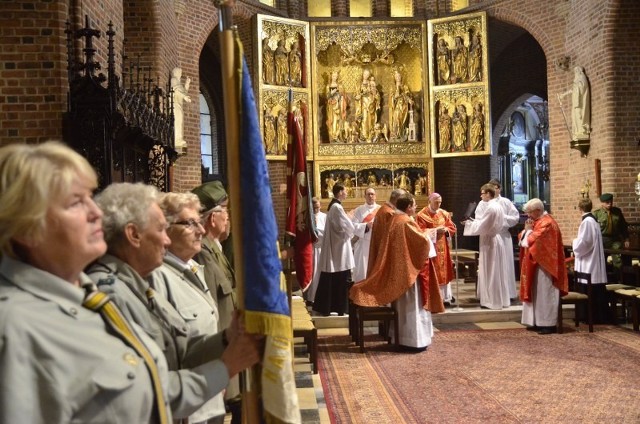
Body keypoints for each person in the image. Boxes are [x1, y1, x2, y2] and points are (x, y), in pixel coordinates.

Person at [0, 142, 174, 422]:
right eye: (76, 202)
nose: (97, 213)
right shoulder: (13, 329)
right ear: (27, 229)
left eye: (90, 197)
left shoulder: (86, 295)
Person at [86, 182, 261, 420]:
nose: (166, 241)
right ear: (133, 235)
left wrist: (226, 338)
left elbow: (180, 354)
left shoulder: (135, 284)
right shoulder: (113, 294)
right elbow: (145, 391)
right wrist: (224, 368)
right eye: (160, 230)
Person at [156, 192, 226, 424]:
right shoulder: (158, 277)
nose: (201, 230)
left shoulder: (194, 268)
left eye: (199, 222)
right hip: (187, 405)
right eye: (190, 223)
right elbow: (166, 352)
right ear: (165, 229)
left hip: (210, 392)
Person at [350, 194, 444, 350]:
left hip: (399, 270)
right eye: (414, 206)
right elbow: (421, 242)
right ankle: (414, 341)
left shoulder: (395, 219)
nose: (415, 208)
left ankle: (401, 337)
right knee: (412, 307)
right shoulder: (406, 222)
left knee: (403, 306)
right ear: (408, 207)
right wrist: (432, 233)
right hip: (408, 272)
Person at [191, 181, 242, 423]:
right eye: (226, 211)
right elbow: (209, 312)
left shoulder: (215, 249)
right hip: (218, 354)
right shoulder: (202, 253)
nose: (229, 218)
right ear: (213, 218)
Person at [518, 198, 568, 334]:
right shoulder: (538, 221)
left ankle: (548, 323)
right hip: (536, 263)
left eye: (530, 212)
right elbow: (524, 236)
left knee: (545, 293)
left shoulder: (547, 223)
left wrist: (527, 231)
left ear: (538, 210)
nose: (528, 216)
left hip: (546, 266)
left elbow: (531, 240)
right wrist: (526, 231)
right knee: (536, 292)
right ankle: (536, 321)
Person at [463, 184, 511, 310]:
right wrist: (473, 222)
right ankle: (500, 299)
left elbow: (483, 226)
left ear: (489, 194)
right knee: (495, 270)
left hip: (490, 242)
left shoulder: (491, 208)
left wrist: (468, 224)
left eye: (483, 193)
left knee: (491, 270)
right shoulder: (496, 206)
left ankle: (492, 301)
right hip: (494, 239)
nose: (481, 195)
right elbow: (485, 223)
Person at [313, 183, 355, 316]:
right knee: (340, 279)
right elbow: (345, 226)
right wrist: (352, 229)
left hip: (337, 249)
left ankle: (333, 307)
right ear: (340, 192)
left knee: (334, 278)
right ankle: (339, 308)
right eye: (345, 190)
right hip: (339, 251)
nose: (347, 193)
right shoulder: (337, 207)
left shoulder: (335, 207)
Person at [479, 179, 520, 301]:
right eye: (490, 187)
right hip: (489, 236)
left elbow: (515, 218)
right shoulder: (483, 203)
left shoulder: (505, 202)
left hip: (503, 236)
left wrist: (501, 218)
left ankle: (508, 293)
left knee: (505, 265)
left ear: (499, 188)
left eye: (495, 187)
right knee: (490, 266)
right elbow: (480, 218)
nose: (493, 189)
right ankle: (490, 294)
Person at [415, 193, 457, 305]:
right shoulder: (422, 215)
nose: (438, 204)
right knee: (433, 271)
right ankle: (434, 298)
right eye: (436, 202)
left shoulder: (444, 213)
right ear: (430, 201)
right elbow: (420, 232)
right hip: (431, 249)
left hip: (443, 247)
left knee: (444, 271)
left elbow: (452, 227)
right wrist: (434, 231)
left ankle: (445, 298)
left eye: (440, 202)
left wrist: (446, 231)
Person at [572, 198, 609, 324]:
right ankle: (594, 316)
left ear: (580, 209)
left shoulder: (587, 222)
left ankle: (589, 316)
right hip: (592, 259)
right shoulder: (592, 220)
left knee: (590, 287)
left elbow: (585, 242)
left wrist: (574, 243)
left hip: (589, 261)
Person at [367, 188, 406, 276]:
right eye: (403, 200)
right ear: (397, 199)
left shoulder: (385, 209)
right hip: (386, 253)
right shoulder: (389, 213)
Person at [592, 192, 630, 269]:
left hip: (615, 239)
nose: (610, 204)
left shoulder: (617, 212)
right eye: (607, 202)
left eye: (611, 202)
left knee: (617, 258)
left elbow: (623, 226)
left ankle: (618, 278)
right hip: (602, 239)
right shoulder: (596, 214)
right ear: (602, 203)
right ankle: (605, 278)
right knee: (601, 260)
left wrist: (626, 239)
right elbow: (592, 230)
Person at [350, 188, 380, 283]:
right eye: (368, 194)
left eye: (372, 194)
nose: (370, 196)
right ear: (365, 196)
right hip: (362, 245)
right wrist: (365, 226)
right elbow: (353, 226)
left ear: (375, 196)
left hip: (376, 245)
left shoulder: (381, 209)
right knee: (362, 272)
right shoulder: (359, 210)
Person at [305, 197, 327, 304]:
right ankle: (311, 297)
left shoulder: (325, 217)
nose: (316, 209)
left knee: (321, 273)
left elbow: (328, 233)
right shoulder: (308, 218)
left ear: (320, 206)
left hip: (322, 249)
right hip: (311, 249)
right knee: (312, 274)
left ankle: (322, 298)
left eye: (318, 207)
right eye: (314, 207)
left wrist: (317, 232)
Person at [561, 66, 591, 140]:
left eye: (576, 72)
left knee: (579, 115)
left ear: (579, 71)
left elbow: (581, 88)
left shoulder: (582, 79)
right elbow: (573, 90)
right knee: (574, 116)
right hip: (576, 103)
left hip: (579, 103)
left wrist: (576, 87)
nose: (575, 74)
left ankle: (582, 130)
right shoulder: (578, 81)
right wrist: (563, 95)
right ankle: (578, 131)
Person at [171, 67, 192, 151]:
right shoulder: (173, 80)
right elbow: (176, 90)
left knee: (180, 121)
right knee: (177, 121)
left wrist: (187, 84)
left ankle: (179, 139)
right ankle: (177, 140)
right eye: (179, 72)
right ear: (176, 72)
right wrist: (185, 97)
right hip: (175, 105)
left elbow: (183, 92)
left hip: (179, 105)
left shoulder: (178, 82)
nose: (180, 74)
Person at [389, 68, 412, 141]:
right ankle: (395, 134)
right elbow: (391, 99)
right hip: (396, 106)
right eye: (396, 76)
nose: (398, 77)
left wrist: (408, 99)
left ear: (401, 77)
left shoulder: (405, 87)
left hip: (403, 106)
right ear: (394, 78)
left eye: (399, 76)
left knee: (402, 120)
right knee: (396, 117)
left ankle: (402, 134)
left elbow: (408, 96)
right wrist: (395, 96)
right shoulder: (392, 88)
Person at [325, 69, 347, 143]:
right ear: (331, 77)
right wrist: (332, 93)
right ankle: (332, 136)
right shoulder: (328, 86)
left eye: (336, 76)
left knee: (337, 121)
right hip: (331, 107)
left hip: (338, 106)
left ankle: (337, 136)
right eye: (333, 76)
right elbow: (327, 97)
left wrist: (340, 95)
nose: (334, 77)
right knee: (332, 121)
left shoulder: (340, 86)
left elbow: (343, 96)